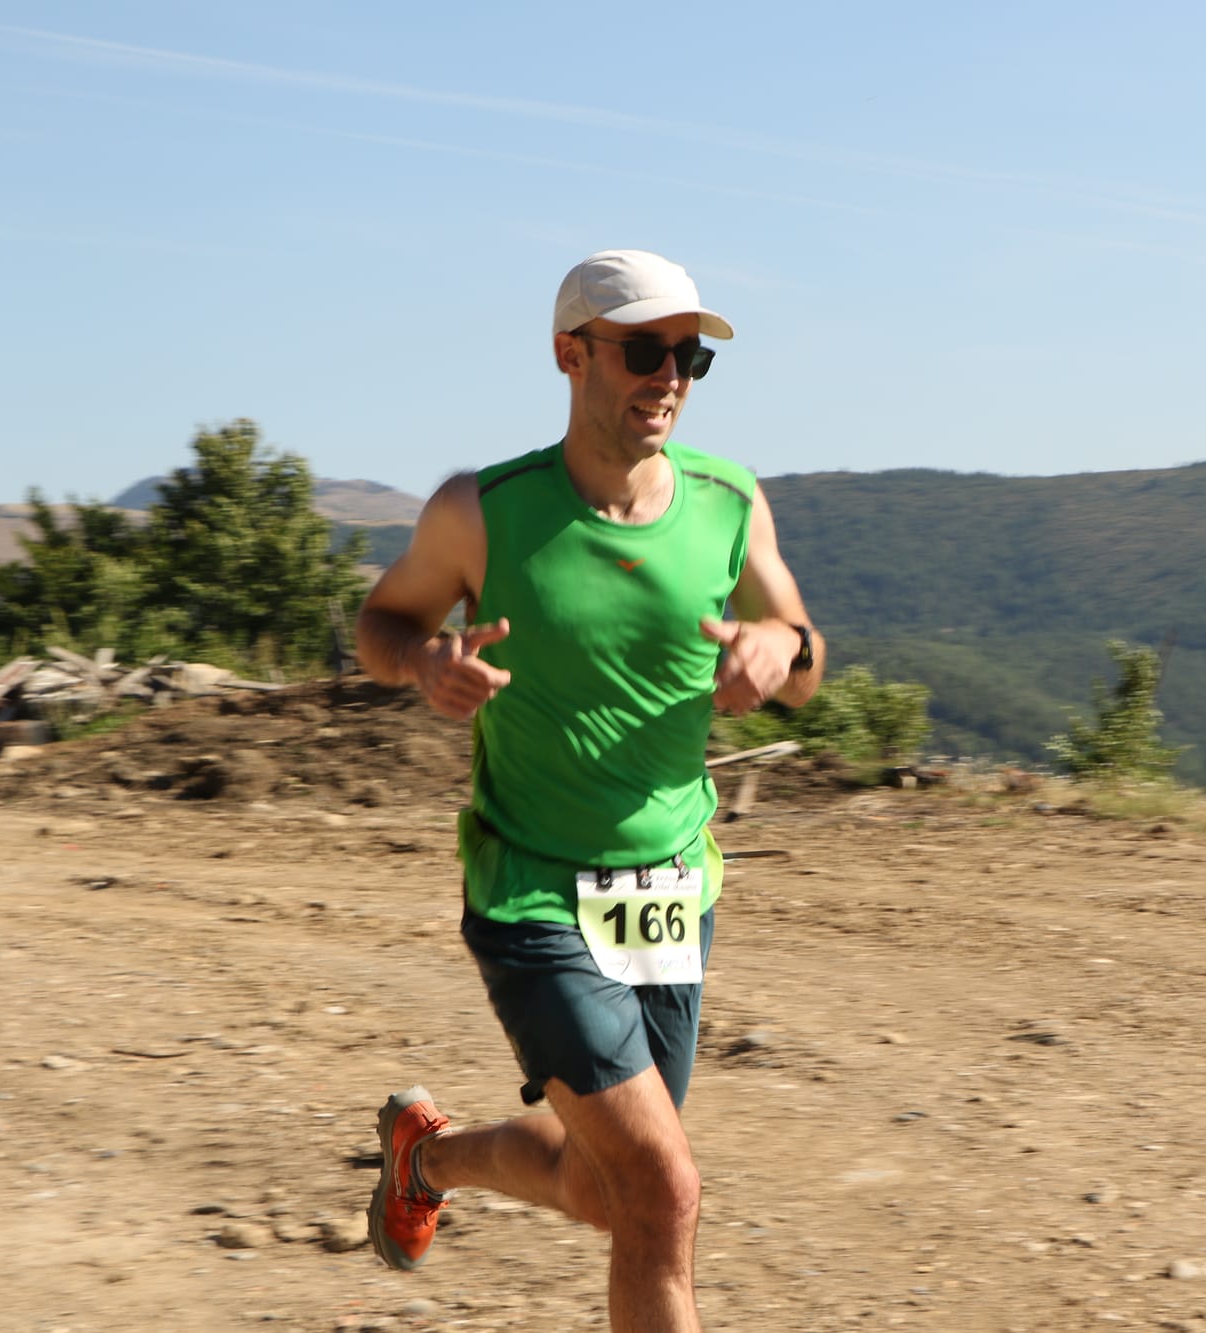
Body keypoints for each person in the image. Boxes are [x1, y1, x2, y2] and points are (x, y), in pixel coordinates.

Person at [354, 248, 824, 1331]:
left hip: (672, 893)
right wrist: (423, 664)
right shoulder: (484, 511)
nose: (670, 376)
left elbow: (806, 659)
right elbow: (382, 623)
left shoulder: (728, 503)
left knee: (604, 1192)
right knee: (664, 1192)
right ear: (571, 355)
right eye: (646, 351)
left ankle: (427, 1159)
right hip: (530, 894)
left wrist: (776, 649)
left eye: (690, 356)